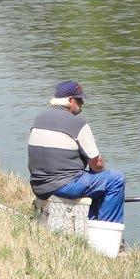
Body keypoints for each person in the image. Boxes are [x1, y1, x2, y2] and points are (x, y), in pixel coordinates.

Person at [27, 80, 125, 223]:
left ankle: (89, 223)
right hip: (63, 185)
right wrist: (100, 171)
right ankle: (106, 232)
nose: (82, 103)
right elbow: (97, 164)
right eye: (79, 99)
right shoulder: (78, 123)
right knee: (115, 179)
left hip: (38, 185)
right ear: (70, 100)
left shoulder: (39, 118)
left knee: (93, 182)